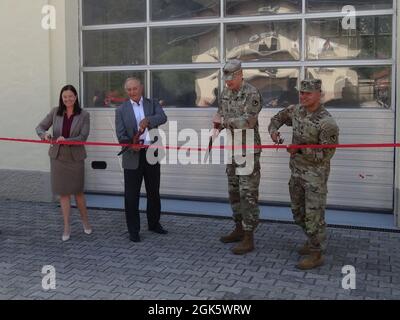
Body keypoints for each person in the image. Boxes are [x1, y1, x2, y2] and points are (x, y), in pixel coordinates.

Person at [268, 79, 339, 270]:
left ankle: (317, 253)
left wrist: (299, 150)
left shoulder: (327, 122)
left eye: (308, 93)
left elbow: (326, 154)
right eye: (301, 92)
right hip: (296, 173)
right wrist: (273, 131)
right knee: (298, 213)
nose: (303, 96)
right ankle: (311, 239)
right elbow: (276, 119)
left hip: (315, 177)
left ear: (319, 94)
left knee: (314, 216)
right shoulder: (296, 111)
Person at [214, 59, 263, 255]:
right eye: (226, 79)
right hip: (232, 149)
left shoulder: (251, 93)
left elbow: (249, 121)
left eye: (231, 78)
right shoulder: (226, 92)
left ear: (240, 74)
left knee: (247, 193)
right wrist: (217, 120)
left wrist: (224, 121)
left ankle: (249, 237)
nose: (228, 83)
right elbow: (221, 112)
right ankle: (238, 228)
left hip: (249, 150)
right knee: (233, 191)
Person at [36, 85, 92, 242]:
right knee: (64, 193)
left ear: (75, 97)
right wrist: (44, 135)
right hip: (58, 157)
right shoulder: (55, 112)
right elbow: (39, 127)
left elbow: (83, 137)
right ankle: (66, 226)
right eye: (64, 97)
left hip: (75, 157)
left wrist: (66, 140)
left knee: (78, 192)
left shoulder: (84, 115)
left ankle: (85, 221)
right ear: (62, 98)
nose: (67, 99)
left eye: (70, 96)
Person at [115, 77, 168, 243]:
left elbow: (163, 117)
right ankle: (133, 230)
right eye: (129, 90)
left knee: (153, 192)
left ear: (141, 88)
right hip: (132, 156)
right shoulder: (121, 109)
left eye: (135, 88)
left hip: (152, 153)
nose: (132, 92)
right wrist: (131, 146)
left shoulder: (152, 103)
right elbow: (121, 135)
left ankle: (154, 224)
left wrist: (149, 120)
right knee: (131, 195)